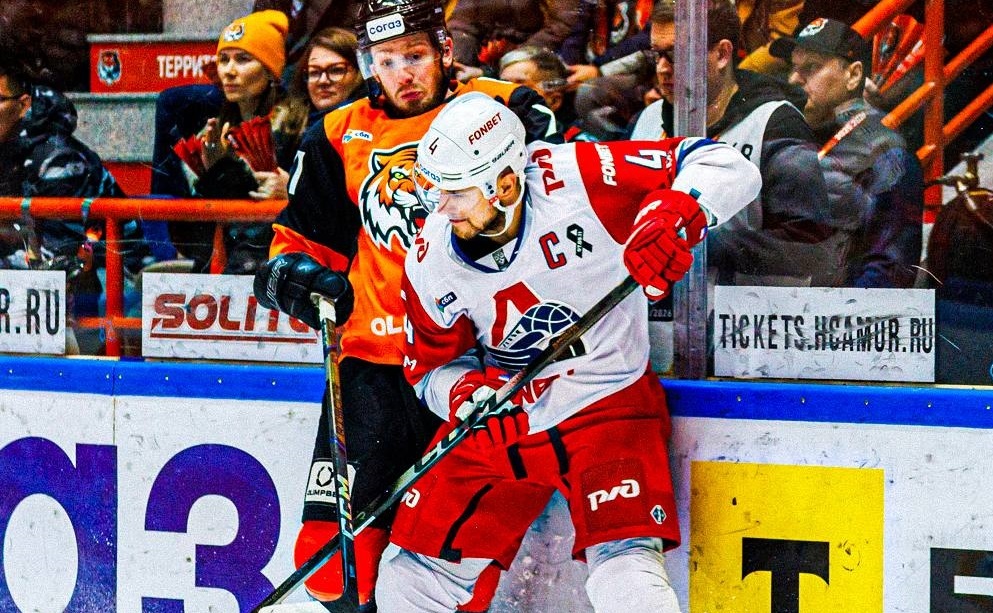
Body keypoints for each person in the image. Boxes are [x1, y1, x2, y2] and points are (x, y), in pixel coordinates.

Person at [377, 91, 759, 612]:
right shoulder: (429, 259)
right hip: (504, 419)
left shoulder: (581, 176)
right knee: (408, 580)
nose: (439, 207)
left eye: (456, 192)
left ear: (505, 185)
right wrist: (465, 397)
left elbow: (723, 162)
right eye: (432, 188)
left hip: (606, 405)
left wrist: (675, 211)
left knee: (627, 576)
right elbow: (430, 368)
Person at [252, 0, 559, 609]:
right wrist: (292, 279)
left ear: (444, 51)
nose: (403, 74)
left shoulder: (507, 110)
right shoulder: (336, 133)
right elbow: (298, 245)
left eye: (415, 55)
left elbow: (552, 213)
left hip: (475, 365)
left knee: (452, 562)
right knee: (330, 566)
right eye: (386, 60)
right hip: (375, 368)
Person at [631, 0, 843, 288]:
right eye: (656, 54)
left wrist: (701, 242)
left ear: (721, 54)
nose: (662, 68)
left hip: (749, 312)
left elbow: (810, 249)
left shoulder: (775, 124)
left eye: (677, 55)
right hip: (654, 312)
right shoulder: (645, 121)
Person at [0, 57, 143, 353]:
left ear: (23, 105)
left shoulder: (58, 160)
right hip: (45, 268)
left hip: (111, 273)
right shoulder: (7, 149)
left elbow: (60, 255)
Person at [771, 17, 924, 288]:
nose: (793, 79)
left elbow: (889, 272)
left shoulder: (886, 155)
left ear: (853, 75)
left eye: (811, 67)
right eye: (793, 68)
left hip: (834, 309)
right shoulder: (792, 133)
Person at [169, 9, 308, 275]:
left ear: (270, 71)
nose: (229, 71)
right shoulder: (209, 134)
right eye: (223, 60)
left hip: (274, 269)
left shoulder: (297, 127)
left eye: (243, 59)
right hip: (218, 271)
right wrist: (210, 174)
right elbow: (188, 239)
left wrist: (293, 190)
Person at [498, 46, 577, 134]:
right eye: (503, 85)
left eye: (520, 89)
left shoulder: (579, 141)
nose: (508, 94)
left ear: (554, 101)